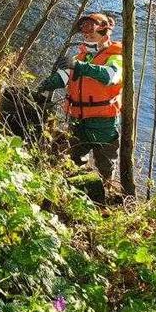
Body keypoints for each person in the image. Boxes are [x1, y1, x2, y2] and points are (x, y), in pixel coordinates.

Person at [38, 13, 123, 186]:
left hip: (103, 122)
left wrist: (79, 66)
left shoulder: (116, 56)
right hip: (78, 120)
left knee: (105, 165)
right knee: (73, 158)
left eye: (92, 31)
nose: (87, 35)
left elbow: (110, 76)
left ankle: (104, 196)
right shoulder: (78, 58)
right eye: (84, 32)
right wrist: (46, 85)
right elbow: (64, 77)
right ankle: (74, 190)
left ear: (105, 31)